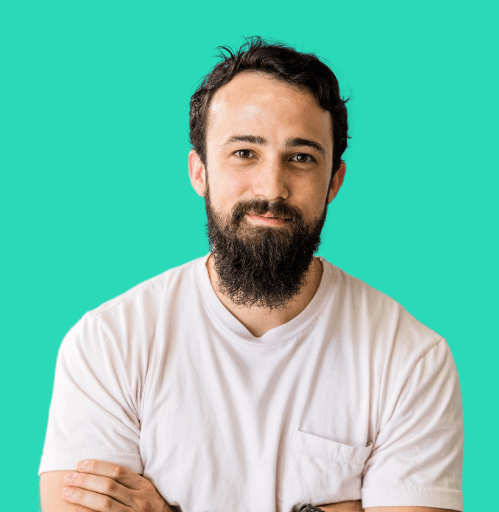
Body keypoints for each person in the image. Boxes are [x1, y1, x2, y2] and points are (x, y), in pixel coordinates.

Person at [39, 37, 464, 512]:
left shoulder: (409, 359)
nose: (272, 188)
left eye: (301, 157)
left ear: (334, 182)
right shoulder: (109, 343)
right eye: (244, 152)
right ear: (199, 172)